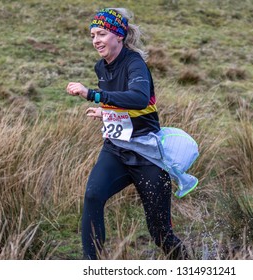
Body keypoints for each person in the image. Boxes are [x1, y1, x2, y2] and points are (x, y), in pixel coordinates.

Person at [66, 8, 190, 259]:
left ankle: (188, 265)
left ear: (119, 36)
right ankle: (91, 266)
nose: (96, 40)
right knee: (92, 195)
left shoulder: (135, 63)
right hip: (116, 148)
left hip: (147, 154)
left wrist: (93, 94)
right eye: (92, 35)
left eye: (101, 34)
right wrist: (106, 112)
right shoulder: (100, 67)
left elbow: (140, 98)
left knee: (160, 234)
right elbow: (122, 104)